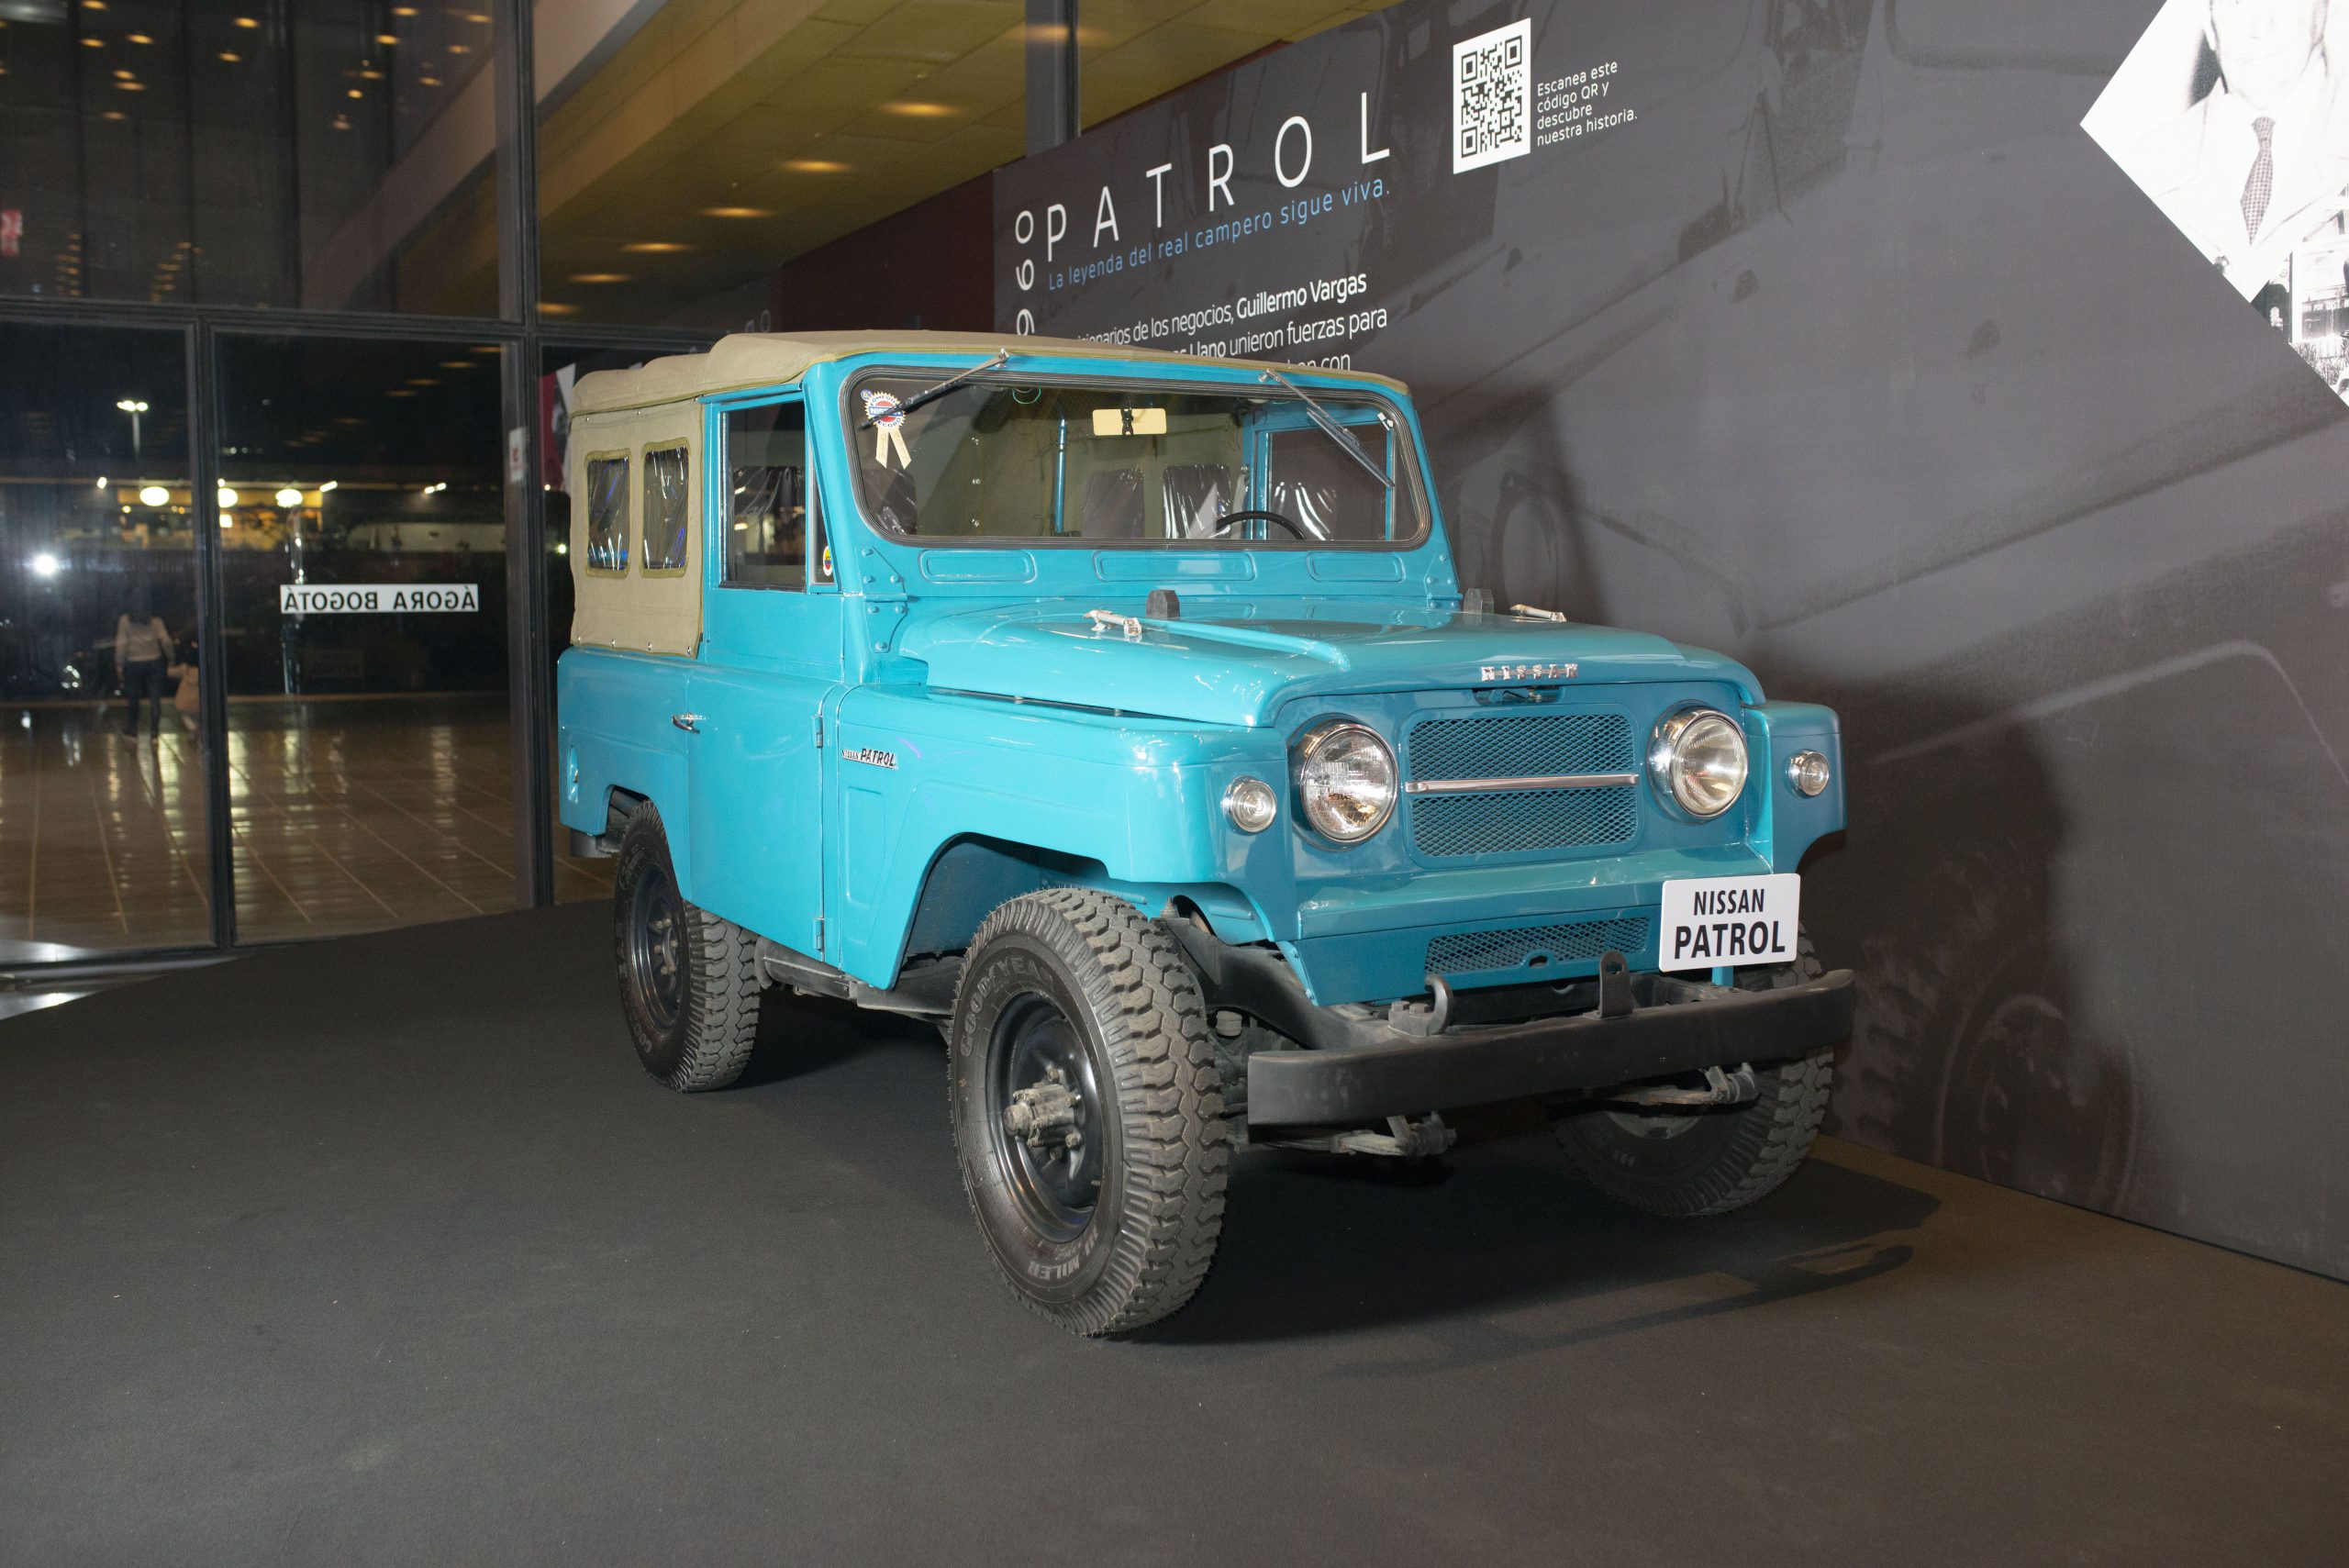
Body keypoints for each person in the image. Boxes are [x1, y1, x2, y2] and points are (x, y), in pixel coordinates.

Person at [2118, 0, 2349, 299]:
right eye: (2237, 1)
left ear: (2327, 9)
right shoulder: (2142, 171)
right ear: (2210, 24)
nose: (2259, 26)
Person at [115, 589, 173, 738]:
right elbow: (166, 641)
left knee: (133, 697)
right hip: (154, 661)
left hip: (133, 662)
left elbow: (121, 644)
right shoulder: (156, 621)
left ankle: (133, 728)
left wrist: (119, 664)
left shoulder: (125, 621)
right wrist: (171, 658)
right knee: (155, 697)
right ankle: (154, 730)